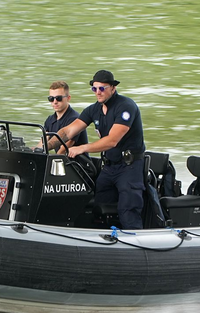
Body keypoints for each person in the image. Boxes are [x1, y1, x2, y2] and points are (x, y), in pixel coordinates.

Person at [51, 70, 145, 229]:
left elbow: (112, 140)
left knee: (128, 210)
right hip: (108, 167)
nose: (98, 92)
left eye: (102, 88)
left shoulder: (126, 107)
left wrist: (82, 148)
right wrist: (41, 147)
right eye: (95, 89)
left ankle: (135, 242)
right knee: (98, 208)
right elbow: (67, 132)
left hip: (129, 167)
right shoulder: (93, 109)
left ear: (113, 88)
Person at [42, 80, 88, 154]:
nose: (55, 102)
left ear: (68, 98)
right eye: (51, 99)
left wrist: (52, 161)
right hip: (60, 162)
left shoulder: (75, 119)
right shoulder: (50, 120)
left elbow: (65, 148)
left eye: (58, 98)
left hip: (75, 163)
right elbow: (42, 143)